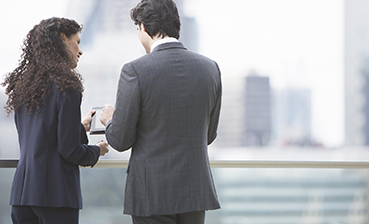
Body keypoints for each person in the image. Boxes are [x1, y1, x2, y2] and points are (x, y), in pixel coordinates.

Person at [99, 0, 222, 223]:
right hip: (194, 193)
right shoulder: (210, 68)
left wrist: (110, 120)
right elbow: (209, 135)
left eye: (138, 29)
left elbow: (120, 140)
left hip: (151, 195)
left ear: (143, 27)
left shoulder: (135, 70)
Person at [2, 17, 109, 224]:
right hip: (55, 197)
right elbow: (70, 150)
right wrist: (98, 151)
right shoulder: (67, 84)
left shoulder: (24, 86)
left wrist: (80, 128)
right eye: (77, 41)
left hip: (22, 196)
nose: (80, 50)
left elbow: (42, 138)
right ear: (62, 39)